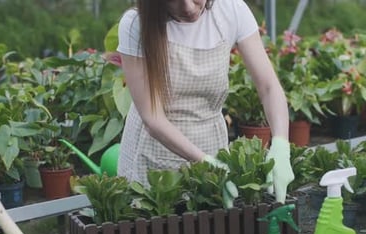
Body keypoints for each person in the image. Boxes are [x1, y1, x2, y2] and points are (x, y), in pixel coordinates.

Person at [116, 0, 294, 203]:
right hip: (152, 158)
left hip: (211, 145)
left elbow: (269, 86)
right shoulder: (136, 24)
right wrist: (205, 162)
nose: (188, 7)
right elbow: (152, 118)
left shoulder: (230, 10)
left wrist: (281, 144)